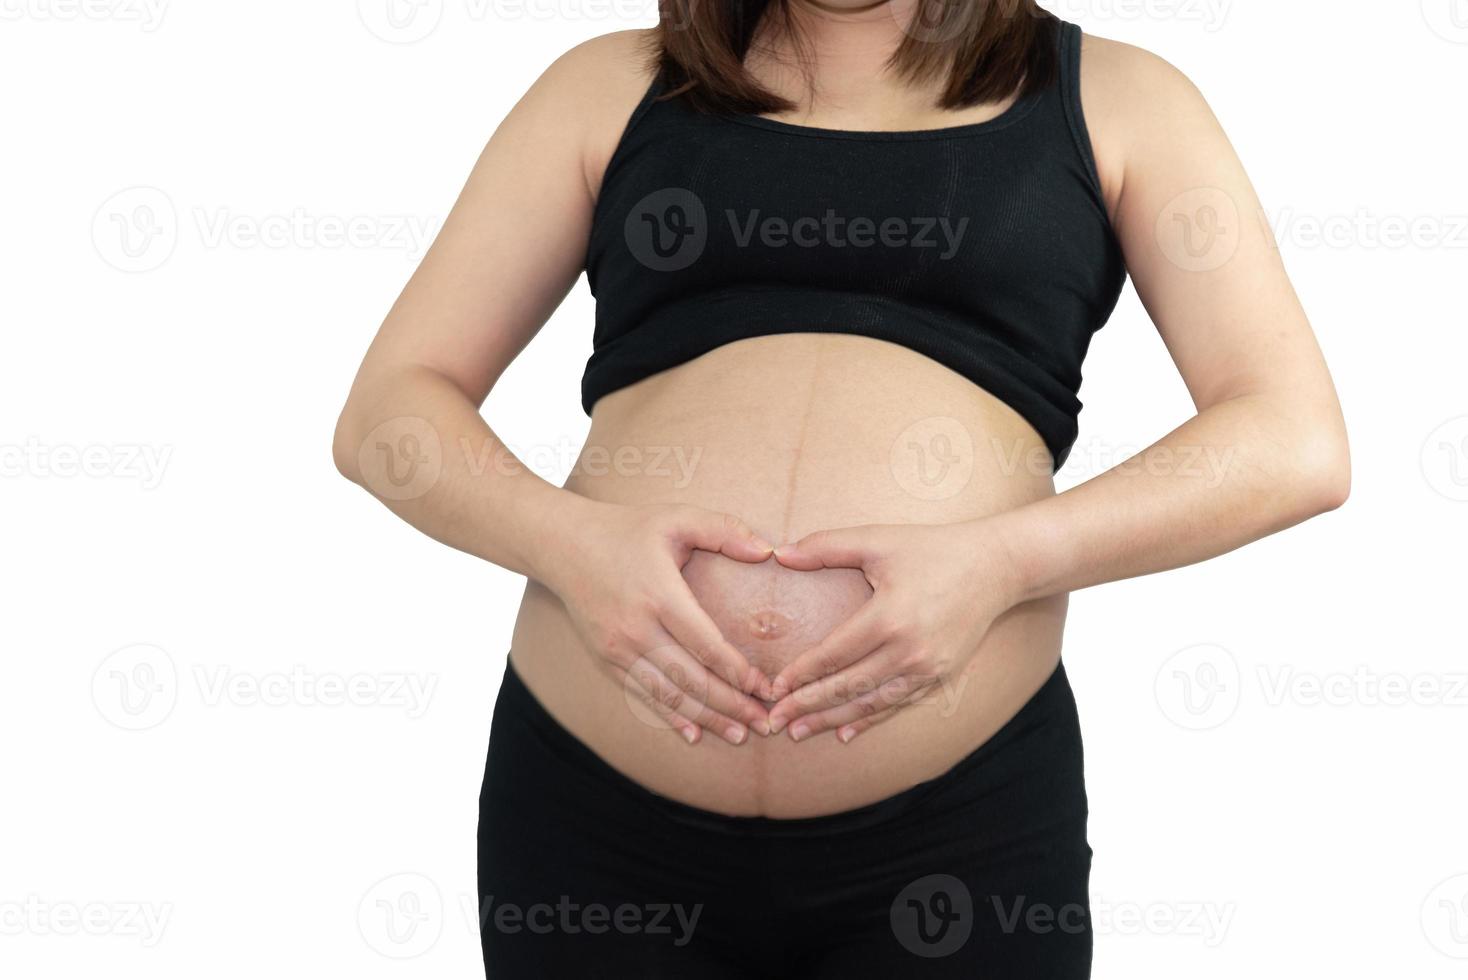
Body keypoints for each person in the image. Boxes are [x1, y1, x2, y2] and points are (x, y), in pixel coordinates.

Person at [333, 1, 1349, 975]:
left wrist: (1002, 561)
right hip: (593, 829)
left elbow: (1291, 438)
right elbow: (389, 412)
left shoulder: (1123, 101)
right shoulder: (610, 85)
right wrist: (570, 546)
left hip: (961, 834)